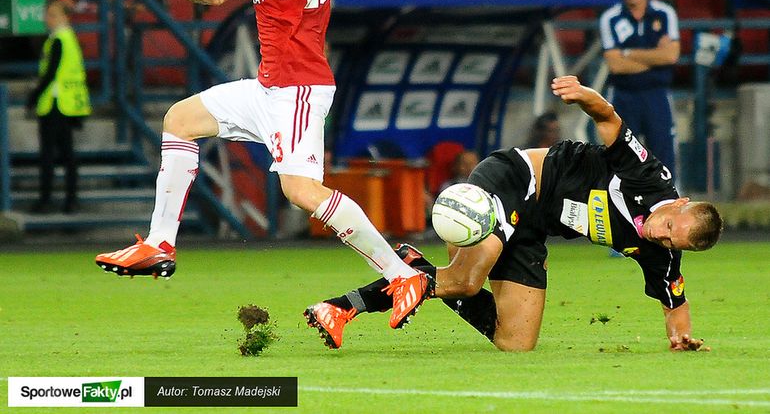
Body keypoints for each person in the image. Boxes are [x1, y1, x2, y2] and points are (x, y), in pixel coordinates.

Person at [95, 0, 431, 331]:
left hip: (298, 87)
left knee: (301, 191)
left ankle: (400, 274)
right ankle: (159, 244)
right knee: (179, 120)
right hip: (271, 85)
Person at [304, 75, 722, 352]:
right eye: (669, 226)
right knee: (466, 281)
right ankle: (341, 307)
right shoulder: (649, 176)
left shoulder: (662, 252)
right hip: (516, 180)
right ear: (679, 203)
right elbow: (609, 119)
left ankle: (416, 269)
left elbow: (675, 302)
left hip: (532, 229)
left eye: (672, 241)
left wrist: (680, 338)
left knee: (516, 342)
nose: (660, 235)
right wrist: (585, 96)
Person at [599, 0, 679, 177]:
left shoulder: (665, 14)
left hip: (657, 95)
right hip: (623, 95)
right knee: (622, 156)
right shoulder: (610, 18)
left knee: (663, 156)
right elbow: (615, 65)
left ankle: (666, 197)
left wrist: (628, 53)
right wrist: (655, 56)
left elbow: (671, 56)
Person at [26, 0, 92, 214]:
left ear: (65, 17)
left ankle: (47, 199)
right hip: (67, 104)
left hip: (56, 104)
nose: (48, 19)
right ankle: (69, 200)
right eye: (48, 14)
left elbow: (50, 73)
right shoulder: (68, 38)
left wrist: (33, 96)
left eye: (53, 15)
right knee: (66, 154)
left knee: (50, 155)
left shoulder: (58, 40)